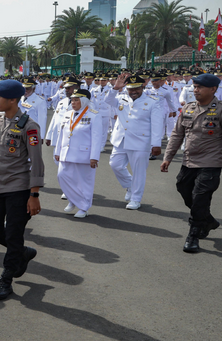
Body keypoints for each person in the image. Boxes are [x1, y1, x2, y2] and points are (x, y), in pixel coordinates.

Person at [0, 80, 44, 301]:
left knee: (14, 234)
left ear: (12, 100)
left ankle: (6, 279)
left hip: (20, 189)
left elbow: (37, 163)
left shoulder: (29, 126)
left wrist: (34, 195)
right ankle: (22, 252)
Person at [161, 73, 222, 253]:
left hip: (211, 162)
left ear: (213, 89)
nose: (196, 90)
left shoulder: (219, 110)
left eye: (200, 87)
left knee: (200, 196)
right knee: (183, 188)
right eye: (194, 87)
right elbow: (177, 135)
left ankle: (193, 234)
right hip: (189, 160)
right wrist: (167, 158)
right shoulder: (188, 109)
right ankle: (207, 220)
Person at [104, 73, 165, 210]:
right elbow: (107, 101)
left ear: (142, 87)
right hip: (121, 139)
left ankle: (136, 199)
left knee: (139, 171)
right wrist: (115, 88)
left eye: (136, 88)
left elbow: (157, 124)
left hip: (140, 141)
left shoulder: (152, 102)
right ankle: (130, 185)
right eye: (130, 89)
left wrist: (156, 144)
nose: (133, 92)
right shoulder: (121, 98)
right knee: (115, 164)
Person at [54, 89, 103, 218]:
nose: (73, 102)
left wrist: (94, 157)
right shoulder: (67, 113)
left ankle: (84, 207)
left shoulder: (94, 115)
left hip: (84, 154)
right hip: (66, 152)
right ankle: (73, 200)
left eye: (76, 100)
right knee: (62, 176)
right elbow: (61, 135)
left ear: (84, 101)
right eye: (72, 100)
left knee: (84, 182)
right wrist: (57, 151)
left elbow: (97, 138)